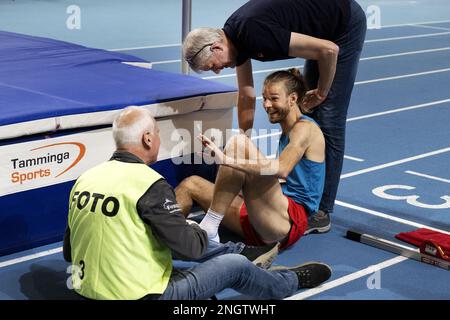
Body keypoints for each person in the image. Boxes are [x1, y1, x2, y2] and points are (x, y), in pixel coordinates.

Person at [63, 106, 331, 300]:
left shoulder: (86, 179)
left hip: (86, 291)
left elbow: (69, 251)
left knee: (162, 237)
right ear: (147, 139)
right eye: (156, 133)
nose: (158, 139)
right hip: (142, 296)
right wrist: (191, 227)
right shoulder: (148, 184)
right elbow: (191, 249)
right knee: (233, 267)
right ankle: (288, 281)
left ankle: (236, 252)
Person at [182, 0, 367, 233]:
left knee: (328, 117)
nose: (218, 71)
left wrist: (322, 91)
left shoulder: (254, 33)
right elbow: (247, 95)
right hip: (321, 28)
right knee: (306, 111)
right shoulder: (236, 39)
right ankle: (301, 194)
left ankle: (322, 211)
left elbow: (329, 50)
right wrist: (242, 144)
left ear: (217, 47)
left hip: (343, 24)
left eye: (213, 66)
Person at [176, 69, 326, 250]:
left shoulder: (305, 129)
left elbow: (282, 169)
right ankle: (166, 239)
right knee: (190, 185)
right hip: (265, 217)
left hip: (288, 220)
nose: (267, 105)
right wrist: (235, 179)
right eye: (265, 98)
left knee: (239, 143)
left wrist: (227, 160)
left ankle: (209, 227)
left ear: (292, 99)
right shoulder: (287, 130)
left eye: (274, 98)